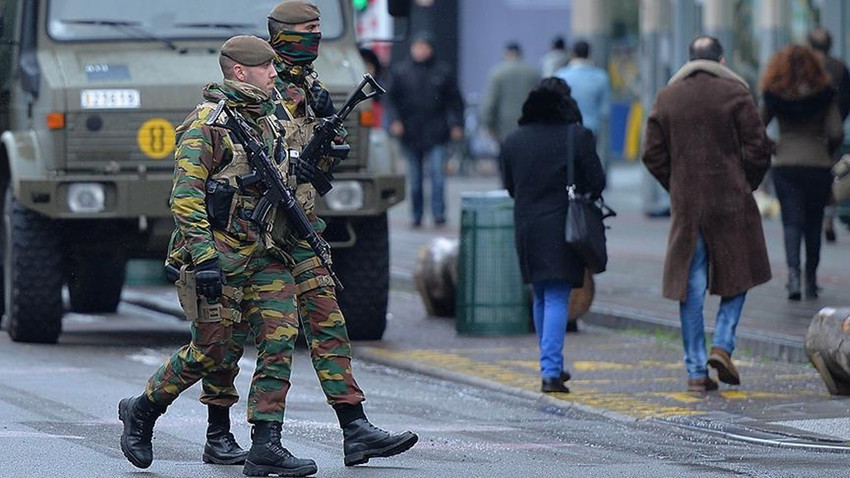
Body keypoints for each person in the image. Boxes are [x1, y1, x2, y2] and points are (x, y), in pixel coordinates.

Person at [199, 1, 418, 473]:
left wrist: (321, 150)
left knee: (326, 320)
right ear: (282, 35)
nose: (316, 37)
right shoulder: (261, 87)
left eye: (321, 29)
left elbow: (313, 169)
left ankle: (353, 425)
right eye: (309, 29)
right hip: (254, 232)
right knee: (229, 336)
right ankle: (217, 431)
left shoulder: (312, 88)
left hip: (299, 227)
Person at [118, 35, 321, 477]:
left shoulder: (268, 122)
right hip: (220, 252)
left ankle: (267, 441)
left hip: (265, 251)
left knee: (280, 338)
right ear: (240, 72)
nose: (274, 74)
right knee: (211, 350)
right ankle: (144, 408)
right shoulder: (208, 124)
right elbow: (185, 198)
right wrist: (205, 258)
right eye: (267, 68)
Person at [642, 36, 773, 392]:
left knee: (691, 285)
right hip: (730, 199)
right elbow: (759, 147)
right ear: (722, 58)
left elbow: (651, 153)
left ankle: (696, 371)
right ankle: (723, 344)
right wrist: (746, 182)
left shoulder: (667, 96)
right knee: (741, 272)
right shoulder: (736, 93)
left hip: (688, 205)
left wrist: (677, 185)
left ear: (689, 59)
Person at [501, 77, 605, 394]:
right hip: (562, 225)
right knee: (558, 294)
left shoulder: (513, 140)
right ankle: (550, 372)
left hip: (527, 224)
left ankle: (552, 365)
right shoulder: (577, 136)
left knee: (542, 292)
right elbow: (597, 182)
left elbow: (509, 186)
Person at [759, 45, 843, 301]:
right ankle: (811, 280)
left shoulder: (775, 94)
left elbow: (756, 126)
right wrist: (826, 150)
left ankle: (793, 278)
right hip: (817, 164)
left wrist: (773, 147)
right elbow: (836, 131)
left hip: (786, 164)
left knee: (791, 223)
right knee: (813, 224)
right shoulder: (825, 93)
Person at [387, 31, 464, 228]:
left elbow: (455, 101)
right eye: (417, 47)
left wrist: (457, 124)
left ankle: (439, 213)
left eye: (424, 47)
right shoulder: (401, 72)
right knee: (415, 180)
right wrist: (395, 121)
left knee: (438, 176)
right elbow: (391, 100)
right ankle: (417, 214)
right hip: (410, 132)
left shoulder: (442, 72)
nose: (420, 51)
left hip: (437, 130)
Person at [807, 27, 850, 243]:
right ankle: (828, 221)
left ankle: (811, 218)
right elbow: (846, 101)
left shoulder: (803, 67)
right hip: (831, 132)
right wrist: (838, 122)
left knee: (807, 176)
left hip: (805, 132)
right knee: (830, 176)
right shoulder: (839, 66)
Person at [554, 39, 611, 169]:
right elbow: (605, 109)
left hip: (566, 128)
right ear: (589, 54)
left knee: (569, 164)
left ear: (572, 54)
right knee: (588, 163)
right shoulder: (601, 77)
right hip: (591, 128)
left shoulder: (561, 76)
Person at [479, 42, 540, 145]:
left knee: (506, 157)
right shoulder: (533, 73)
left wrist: (488, 124)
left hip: (503, 128)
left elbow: (490, 102)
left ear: (506, 53)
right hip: (528, 125)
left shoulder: (497, 73)